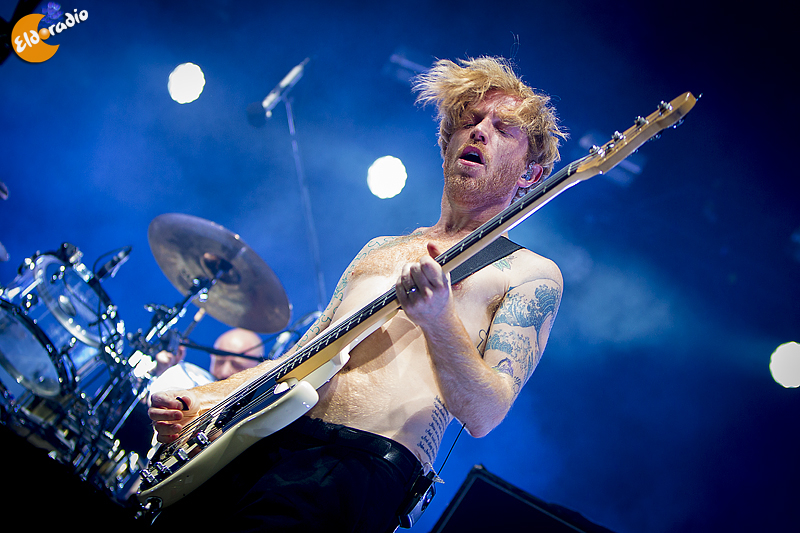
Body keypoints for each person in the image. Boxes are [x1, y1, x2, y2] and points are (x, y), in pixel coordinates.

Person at [147, 56, 567, 532]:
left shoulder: (531, 273)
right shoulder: (379, 249)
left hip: (358, 467)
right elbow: (297, 360)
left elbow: (486, 413)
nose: (480, 132)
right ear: (446, 143)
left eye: (503, 128)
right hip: (266, 438)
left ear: (531, 174)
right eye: (469, 121)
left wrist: (438, 318)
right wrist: (205, 399)